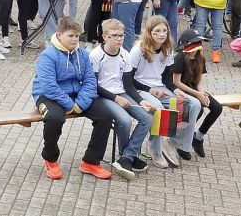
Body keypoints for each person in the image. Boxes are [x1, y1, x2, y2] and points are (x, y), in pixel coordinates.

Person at [31, 16, 113, 181]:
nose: (75, 40)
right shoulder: (48, 55)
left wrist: (80, 104)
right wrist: (70, 104)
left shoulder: (82, 54)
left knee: (105, 116)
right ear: (60, 35)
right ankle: (51, 159)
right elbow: (49, 87)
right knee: (55, 118)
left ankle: (91, 161)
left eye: (77, 36)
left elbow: (90, 81)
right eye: (71, 36)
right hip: (47, 96)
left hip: (76, 95)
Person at [125, 16, 200, 167]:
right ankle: (155, 149)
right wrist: (150, 90)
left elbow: (166, 78)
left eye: (164, 30)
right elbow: (128, 80)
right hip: (141, 88)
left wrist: (176, 90)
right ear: (149, 32)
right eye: (157, 31)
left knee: (191, 104)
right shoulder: (138, 50)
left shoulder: (168, 48)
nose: (161, 34)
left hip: (160, 87)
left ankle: (175, 143)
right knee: (158, 108)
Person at [88, 18, 152, 179]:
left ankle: (126, 157)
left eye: (121, 36)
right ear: (105, 37)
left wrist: (140, 100)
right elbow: (94, 85)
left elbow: (128, 84)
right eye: (114, 36)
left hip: (121, 93)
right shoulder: (95, 55)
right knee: (125, 120)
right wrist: (116, 98)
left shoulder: (125, 54)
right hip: (102, 96)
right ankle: (126, 156)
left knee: (147, 118)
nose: (119, 39)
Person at [168, 29, 221, 158]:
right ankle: (181, 140)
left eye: (200, 41)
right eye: (196, 42)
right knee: (198, 109)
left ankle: (198, 138)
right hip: (180, 89)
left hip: (193, 88)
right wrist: (197, 95)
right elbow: (176, 82)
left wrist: (202, 93)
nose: (199, 45)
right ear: (186, 43)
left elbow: (198, 81)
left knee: (217, 108)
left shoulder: (200, 57)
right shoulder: (180, 57)